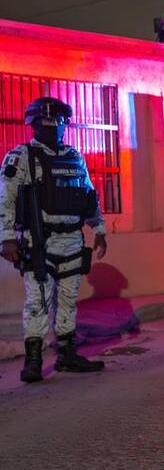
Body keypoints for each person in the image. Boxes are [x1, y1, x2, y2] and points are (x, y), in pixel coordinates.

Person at [1, 97, 107, 383]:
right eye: (44, 122)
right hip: (39, 241)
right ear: (32, 124)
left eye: (56, 122)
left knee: (69, 300)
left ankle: (67, 354)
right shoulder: (20, 156)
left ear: (64, 125)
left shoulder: (74, 156)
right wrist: (7, 238)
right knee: (37, 301)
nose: (51, 126)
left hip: (72, 238)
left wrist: (99, 229)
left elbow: (88, 194)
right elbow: (6, 199)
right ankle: (33, 360)